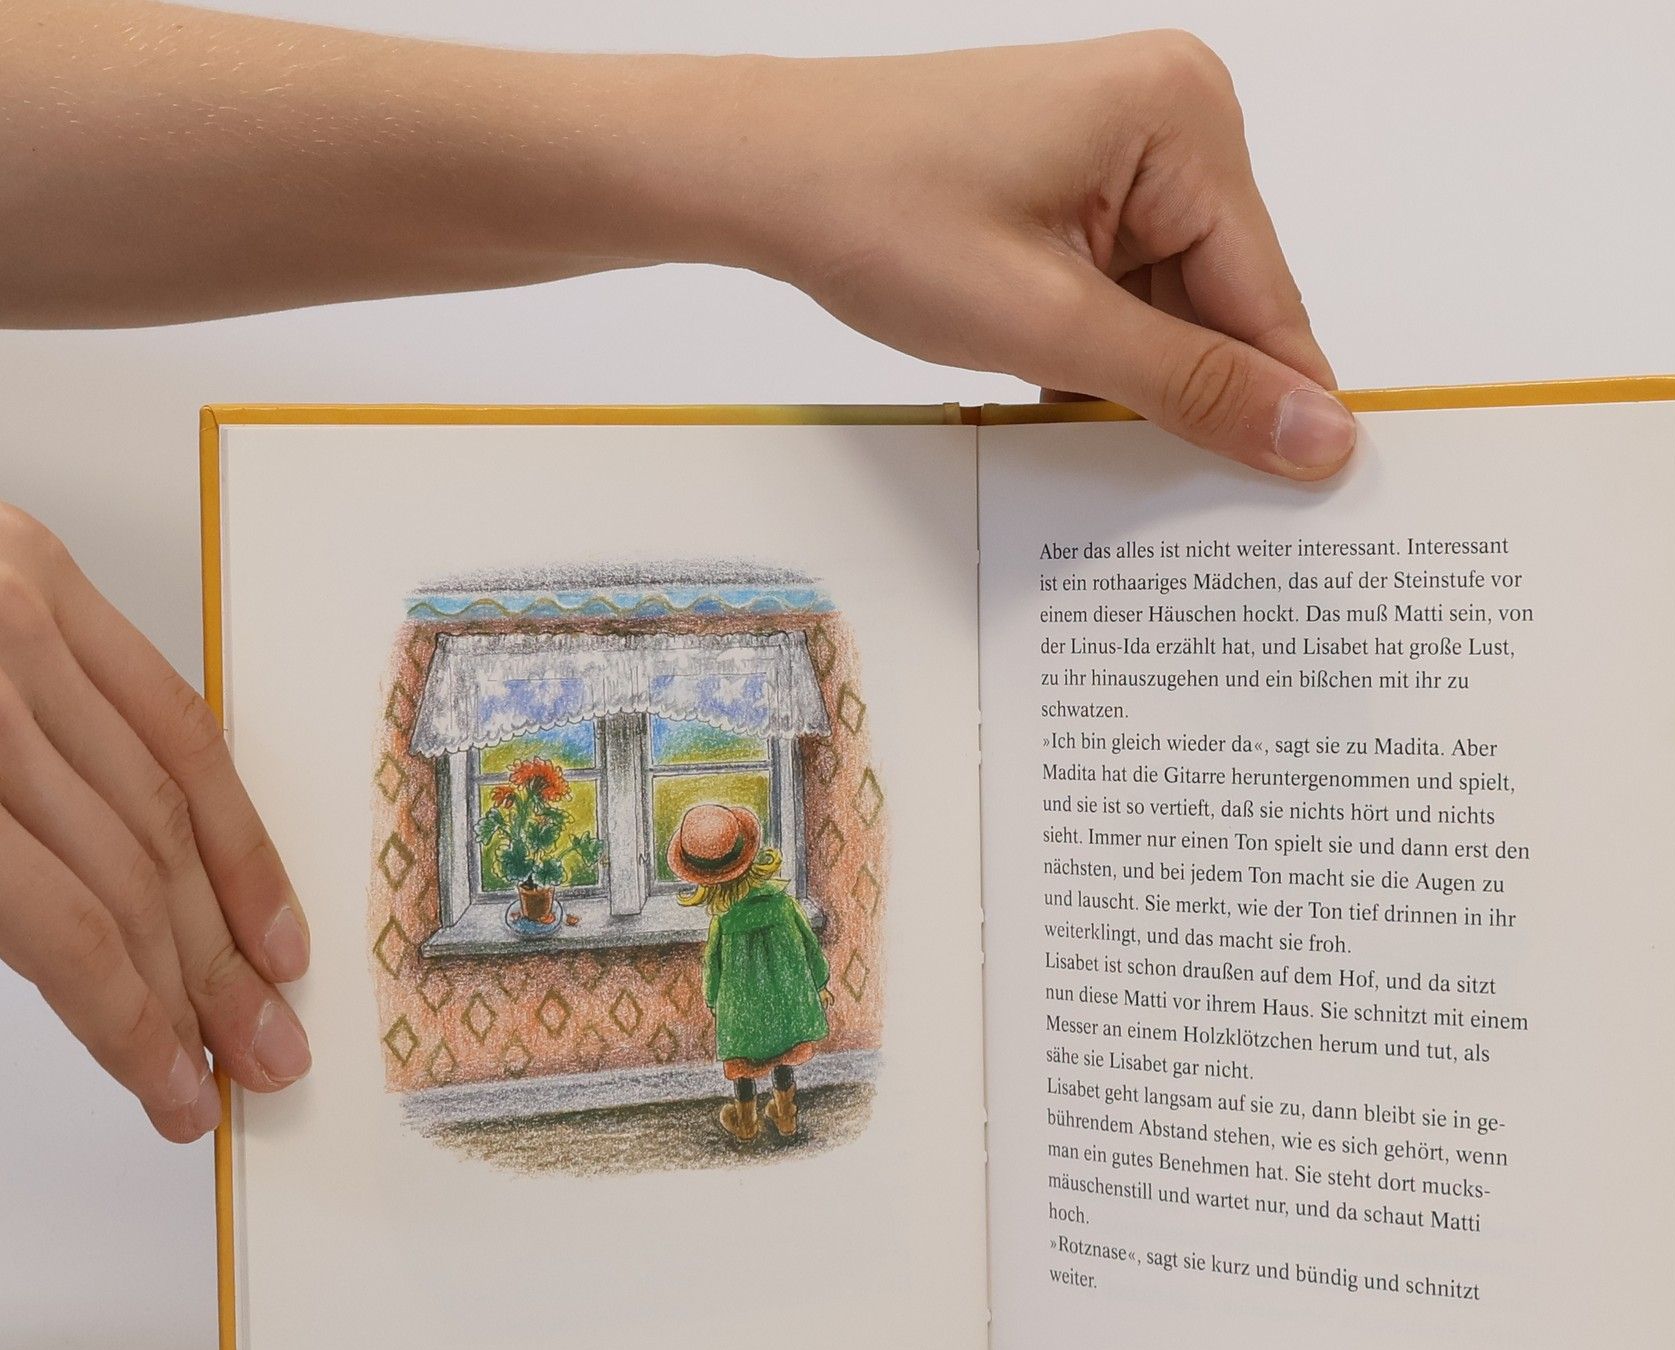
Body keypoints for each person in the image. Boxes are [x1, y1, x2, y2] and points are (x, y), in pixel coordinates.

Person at [0, 3, 1352, 1144]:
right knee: (758, 1054)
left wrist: (775, 152)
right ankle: (764, 1102)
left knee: (755, 1054)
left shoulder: (736, 913)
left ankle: (760, 1102)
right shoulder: (745, 911)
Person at [668, 803, 831, 1143]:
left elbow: (712, 966)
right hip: (786, 1004)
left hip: (742, 1011)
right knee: (782, 1060)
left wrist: (713, 1000)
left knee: (744, 1067)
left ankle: (746, 1123)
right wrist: (820, 984)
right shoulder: (785, 905)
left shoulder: (724, 921)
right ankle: (786, 1116)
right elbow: (810, 947)